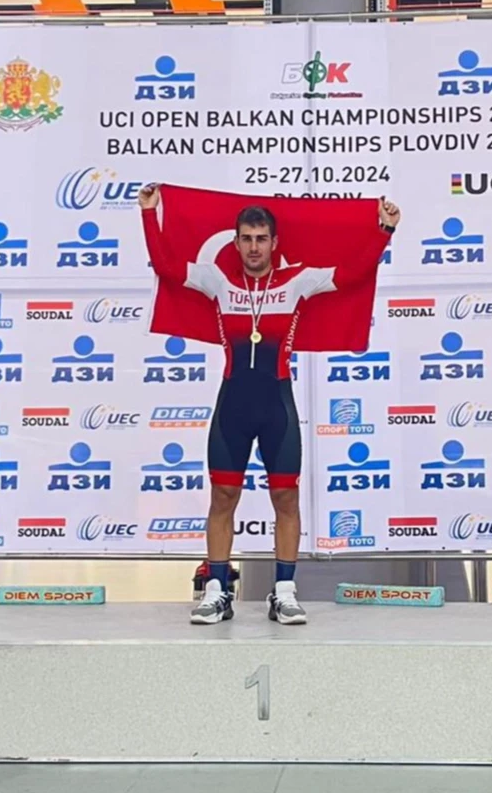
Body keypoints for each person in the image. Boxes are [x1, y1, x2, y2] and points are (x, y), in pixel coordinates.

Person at [140, 185, 399, 624]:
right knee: (223, 497)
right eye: (246, 238)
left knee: (285, 497)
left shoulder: (297, 281)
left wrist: (383, 231)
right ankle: (217, 590)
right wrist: (149, 214)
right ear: (236, 241)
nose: (254, 247)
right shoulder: (217, 281)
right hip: (233, 407)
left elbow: (353, 274)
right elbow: (165, 267)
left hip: (277, 406)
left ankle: (283, 591)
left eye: (261, 239)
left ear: (274, 243)